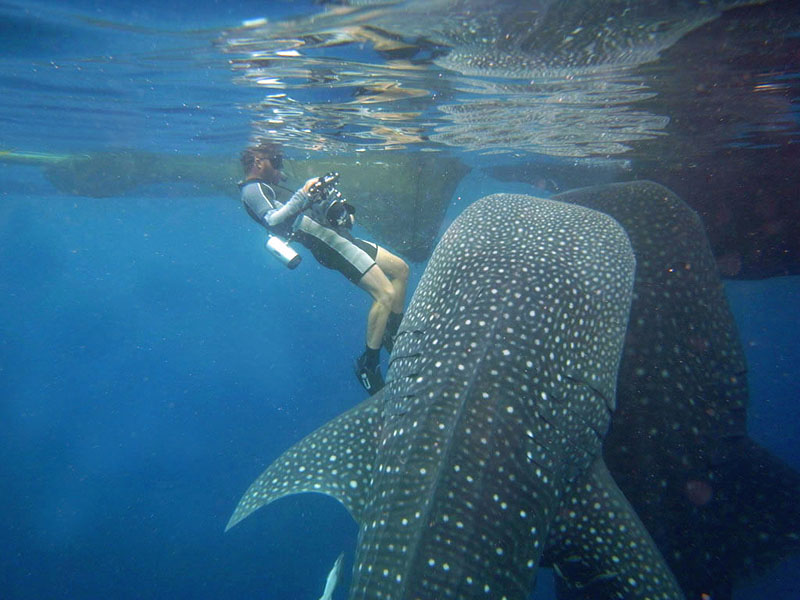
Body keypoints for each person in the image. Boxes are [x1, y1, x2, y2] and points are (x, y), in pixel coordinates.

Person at [239, 141, 409, 394]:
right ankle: (368, 364)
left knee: (401, 269)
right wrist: (304, 195)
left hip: (339, 237)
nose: (280, 169)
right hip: (330, 245)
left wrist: (336, 207)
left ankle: (390, 331)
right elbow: (273, 220)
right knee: (385, 294)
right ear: (258, 163)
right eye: (276, 162)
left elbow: (315, 213)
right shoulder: (252, 189)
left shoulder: (272, 187)